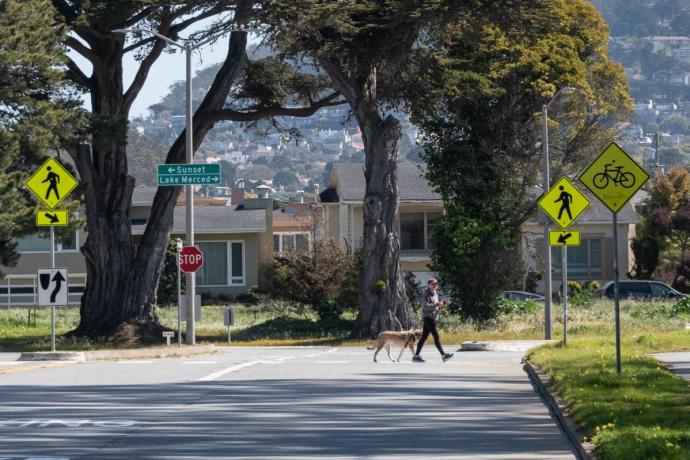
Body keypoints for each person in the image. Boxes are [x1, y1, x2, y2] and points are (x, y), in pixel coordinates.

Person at [412, 278, 454, 362]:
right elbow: (425, 306)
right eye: (433, 284)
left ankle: (416, 356)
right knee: (436, 336)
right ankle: (443, 355)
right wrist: (436, 304)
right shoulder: (425, 293)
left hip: (433, 317)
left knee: (423, 337)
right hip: (428, 318)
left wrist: (442, 304)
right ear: (428, 285)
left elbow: (437, 307)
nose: (435, 285)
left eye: (436, 284)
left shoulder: (435, 293)